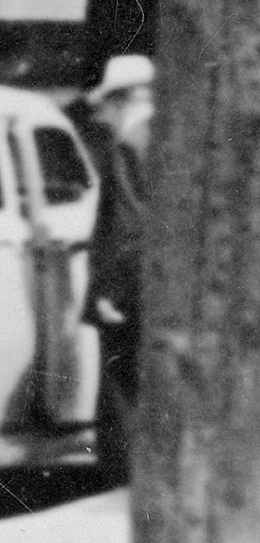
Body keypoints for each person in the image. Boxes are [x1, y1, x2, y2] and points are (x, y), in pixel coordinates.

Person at [76, 52, 156, 474]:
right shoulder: (160, 138)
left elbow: (129, 225)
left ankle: (124, 488)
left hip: (127, 295)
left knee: (119, 396)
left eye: (106, 103)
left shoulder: (128, 146)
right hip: (153, 291)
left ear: (122, 100)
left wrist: (114, 294)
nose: (101, 115)